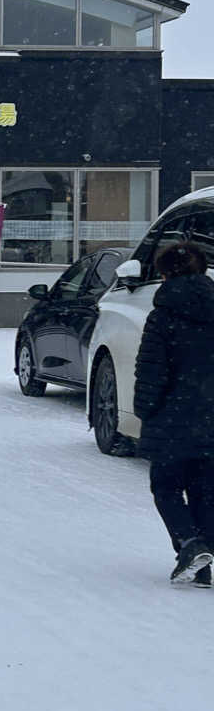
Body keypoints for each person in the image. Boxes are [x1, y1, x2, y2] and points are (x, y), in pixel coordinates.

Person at [134, 240, 214, 586]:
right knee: (203, 489)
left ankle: (190, 544)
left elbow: (151, 370)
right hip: (211, 416)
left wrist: (145, 410)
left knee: (165, 485)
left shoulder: (163, 316)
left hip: (172, 414)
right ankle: (203, 563)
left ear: (165, 274)